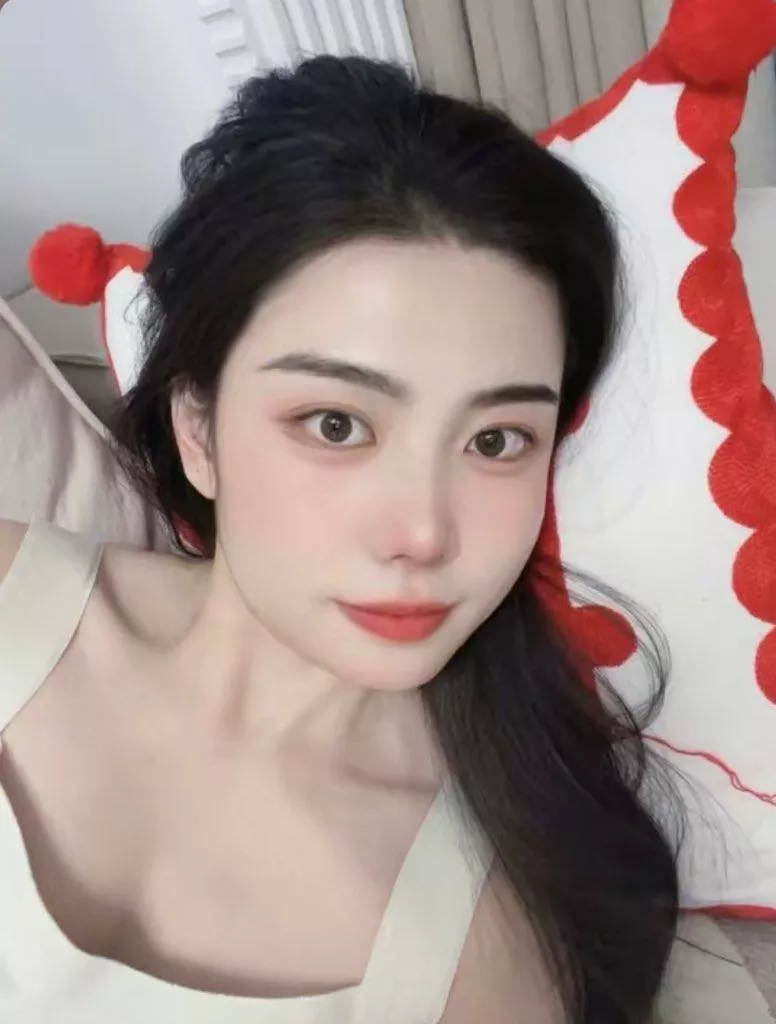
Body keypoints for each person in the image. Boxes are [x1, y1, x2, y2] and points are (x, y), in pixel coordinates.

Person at [0, 50, 681, 1024]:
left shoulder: (500, 940)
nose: (423, 533)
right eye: (335, 424)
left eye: (495, 440)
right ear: (199, 431)